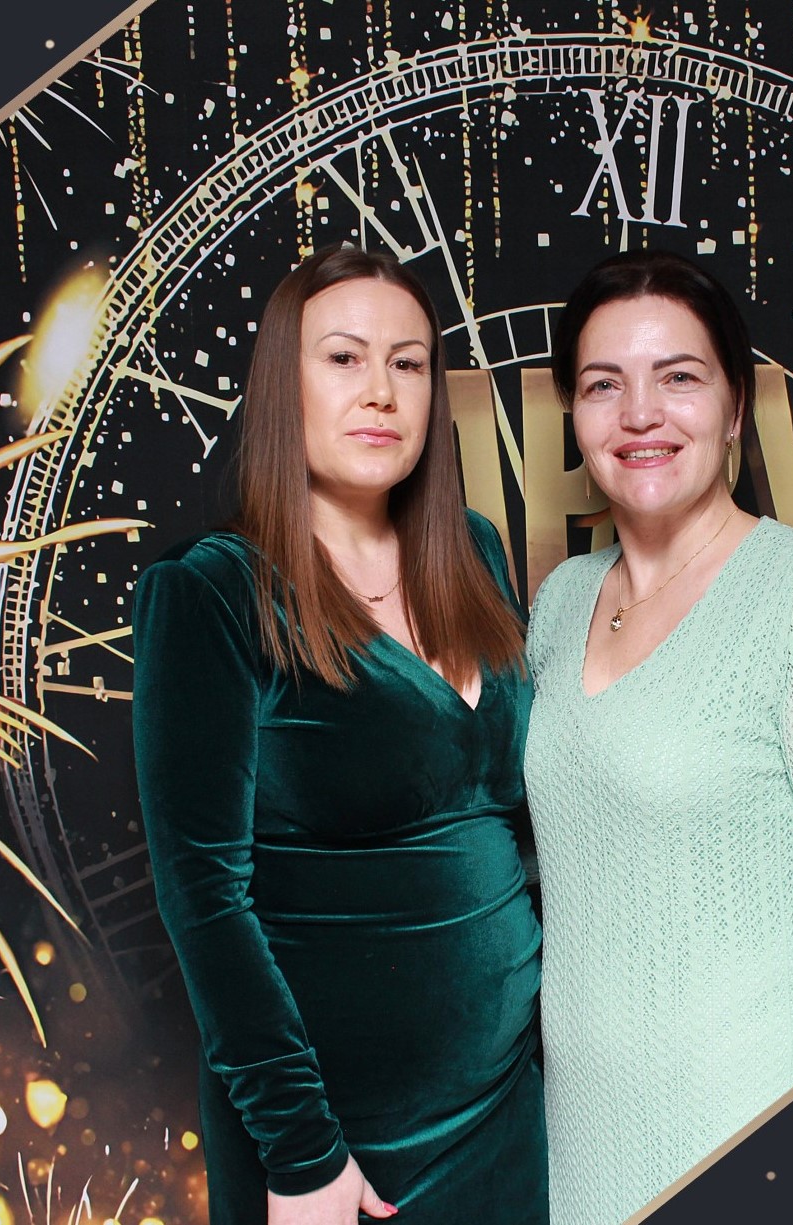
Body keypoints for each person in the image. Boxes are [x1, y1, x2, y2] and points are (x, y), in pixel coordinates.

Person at [132, 246, 545, 1225]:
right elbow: (203, 896)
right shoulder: (213, 592)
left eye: (408, 363)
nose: (381, 392)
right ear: (285, 384)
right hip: (348, 1149)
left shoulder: (475, 551)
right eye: (345, 357)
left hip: (508, 1114)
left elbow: (515, 827)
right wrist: (303, 1152)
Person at [524, 250, 793, 1225]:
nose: (640, 413)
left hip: (742, 1133)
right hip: (582, 1141)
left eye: (678, 377)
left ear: (736, 406)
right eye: (603, 385)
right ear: (573, 416)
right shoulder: (561, 601)